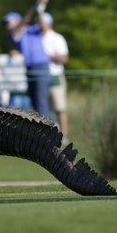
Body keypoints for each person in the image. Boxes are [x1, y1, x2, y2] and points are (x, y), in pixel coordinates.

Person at [3, 0, 51, 117]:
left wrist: (40, 10)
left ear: (17, 20)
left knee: (41, 102)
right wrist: (35, 6)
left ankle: (48, 132)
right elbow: (25, 22)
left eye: (8, 22)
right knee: (34, 101)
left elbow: (44, 27)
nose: (6, 25)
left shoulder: (32, 29)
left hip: (41, 66)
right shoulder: (14, 34)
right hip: (29, 68)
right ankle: (43, 130)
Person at [41, 12, 70, 140]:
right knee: (44, 108)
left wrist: (47, 56)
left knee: (60, 107)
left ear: (48, 23)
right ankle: (47, 135)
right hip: (41, 77)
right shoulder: (36, 38)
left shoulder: (57, 38)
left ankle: (64, 136)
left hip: (55, 76)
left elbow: (64, 58)